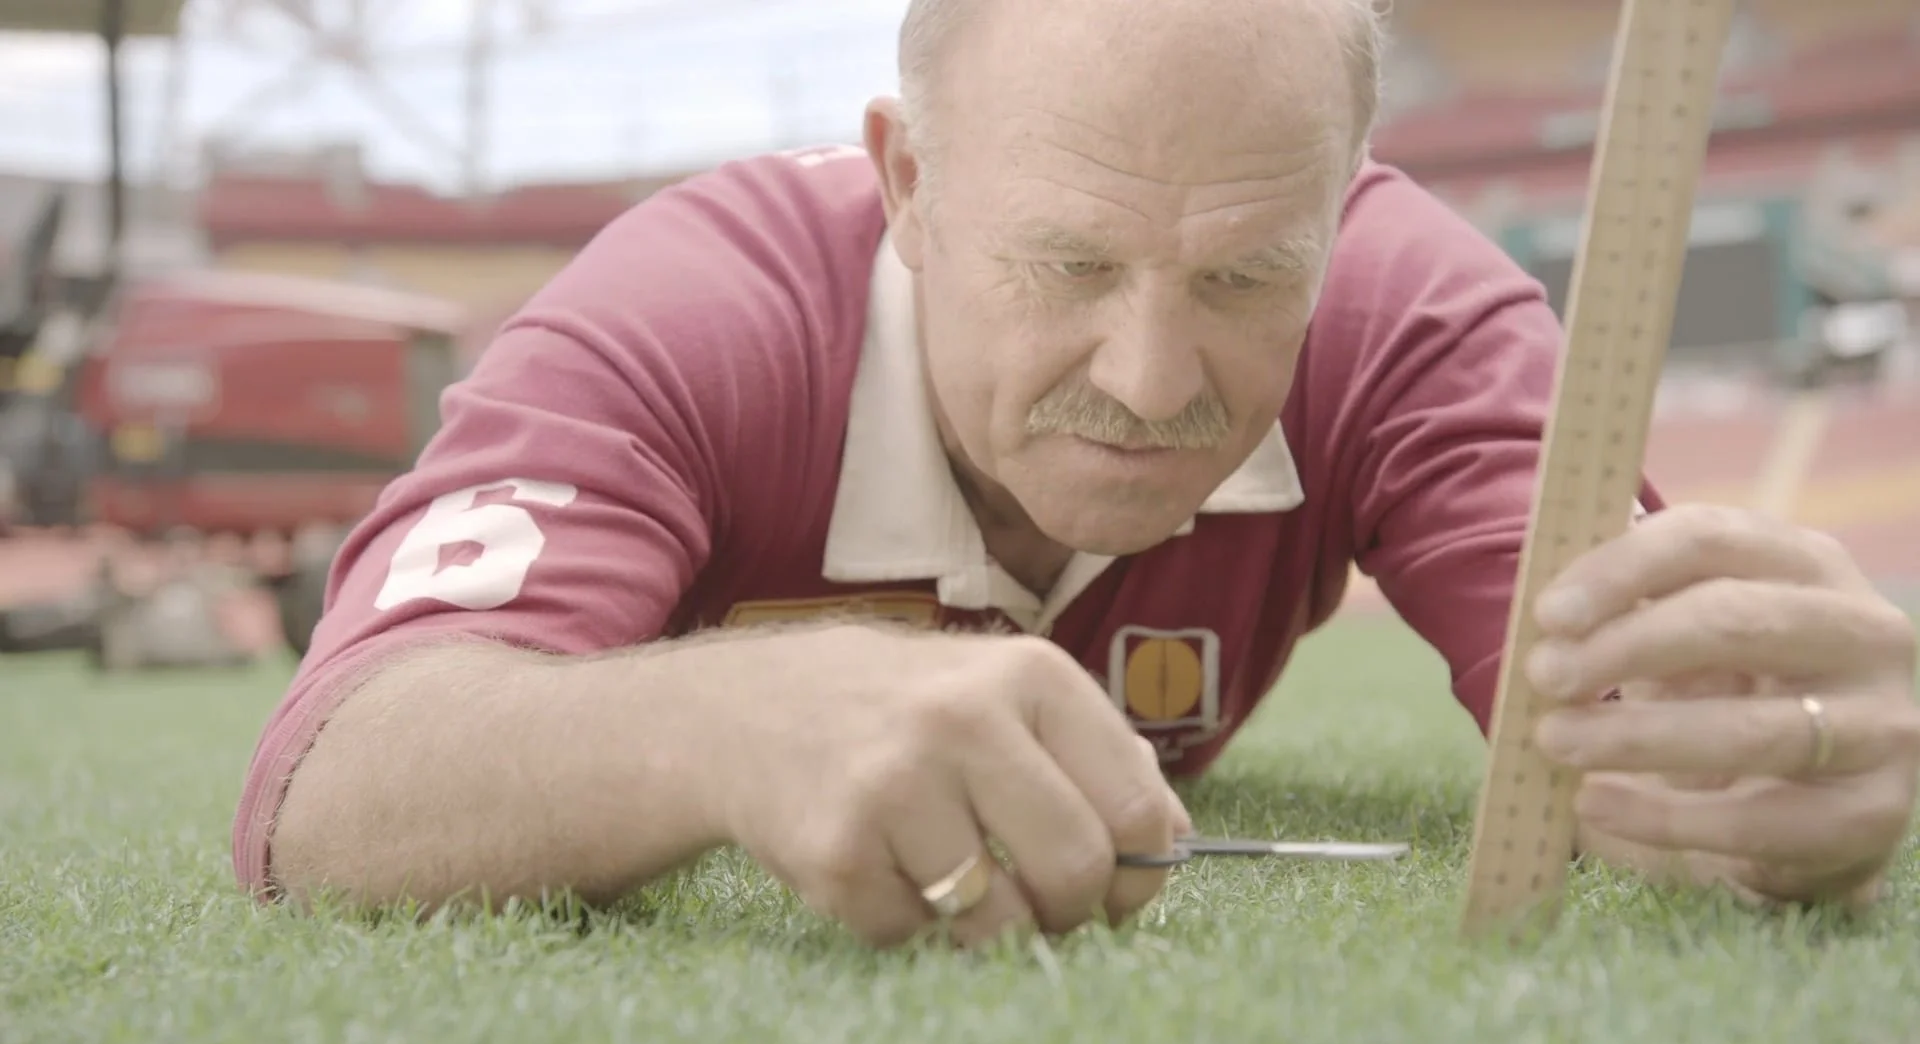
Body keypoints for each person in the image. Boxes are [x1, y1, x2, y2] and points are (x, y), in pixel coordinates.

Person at [233, 0, 1919, 947]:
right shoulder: (694, 314)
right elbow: (324, 784)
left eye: (1251, 276)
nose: (1152, 379)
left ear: (1341, 212)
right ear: (907, 186)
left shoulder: (1407, 305)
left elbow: (1657, 724)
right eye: (1066, 265)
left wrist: (1772, 748)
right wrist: (734, 717)